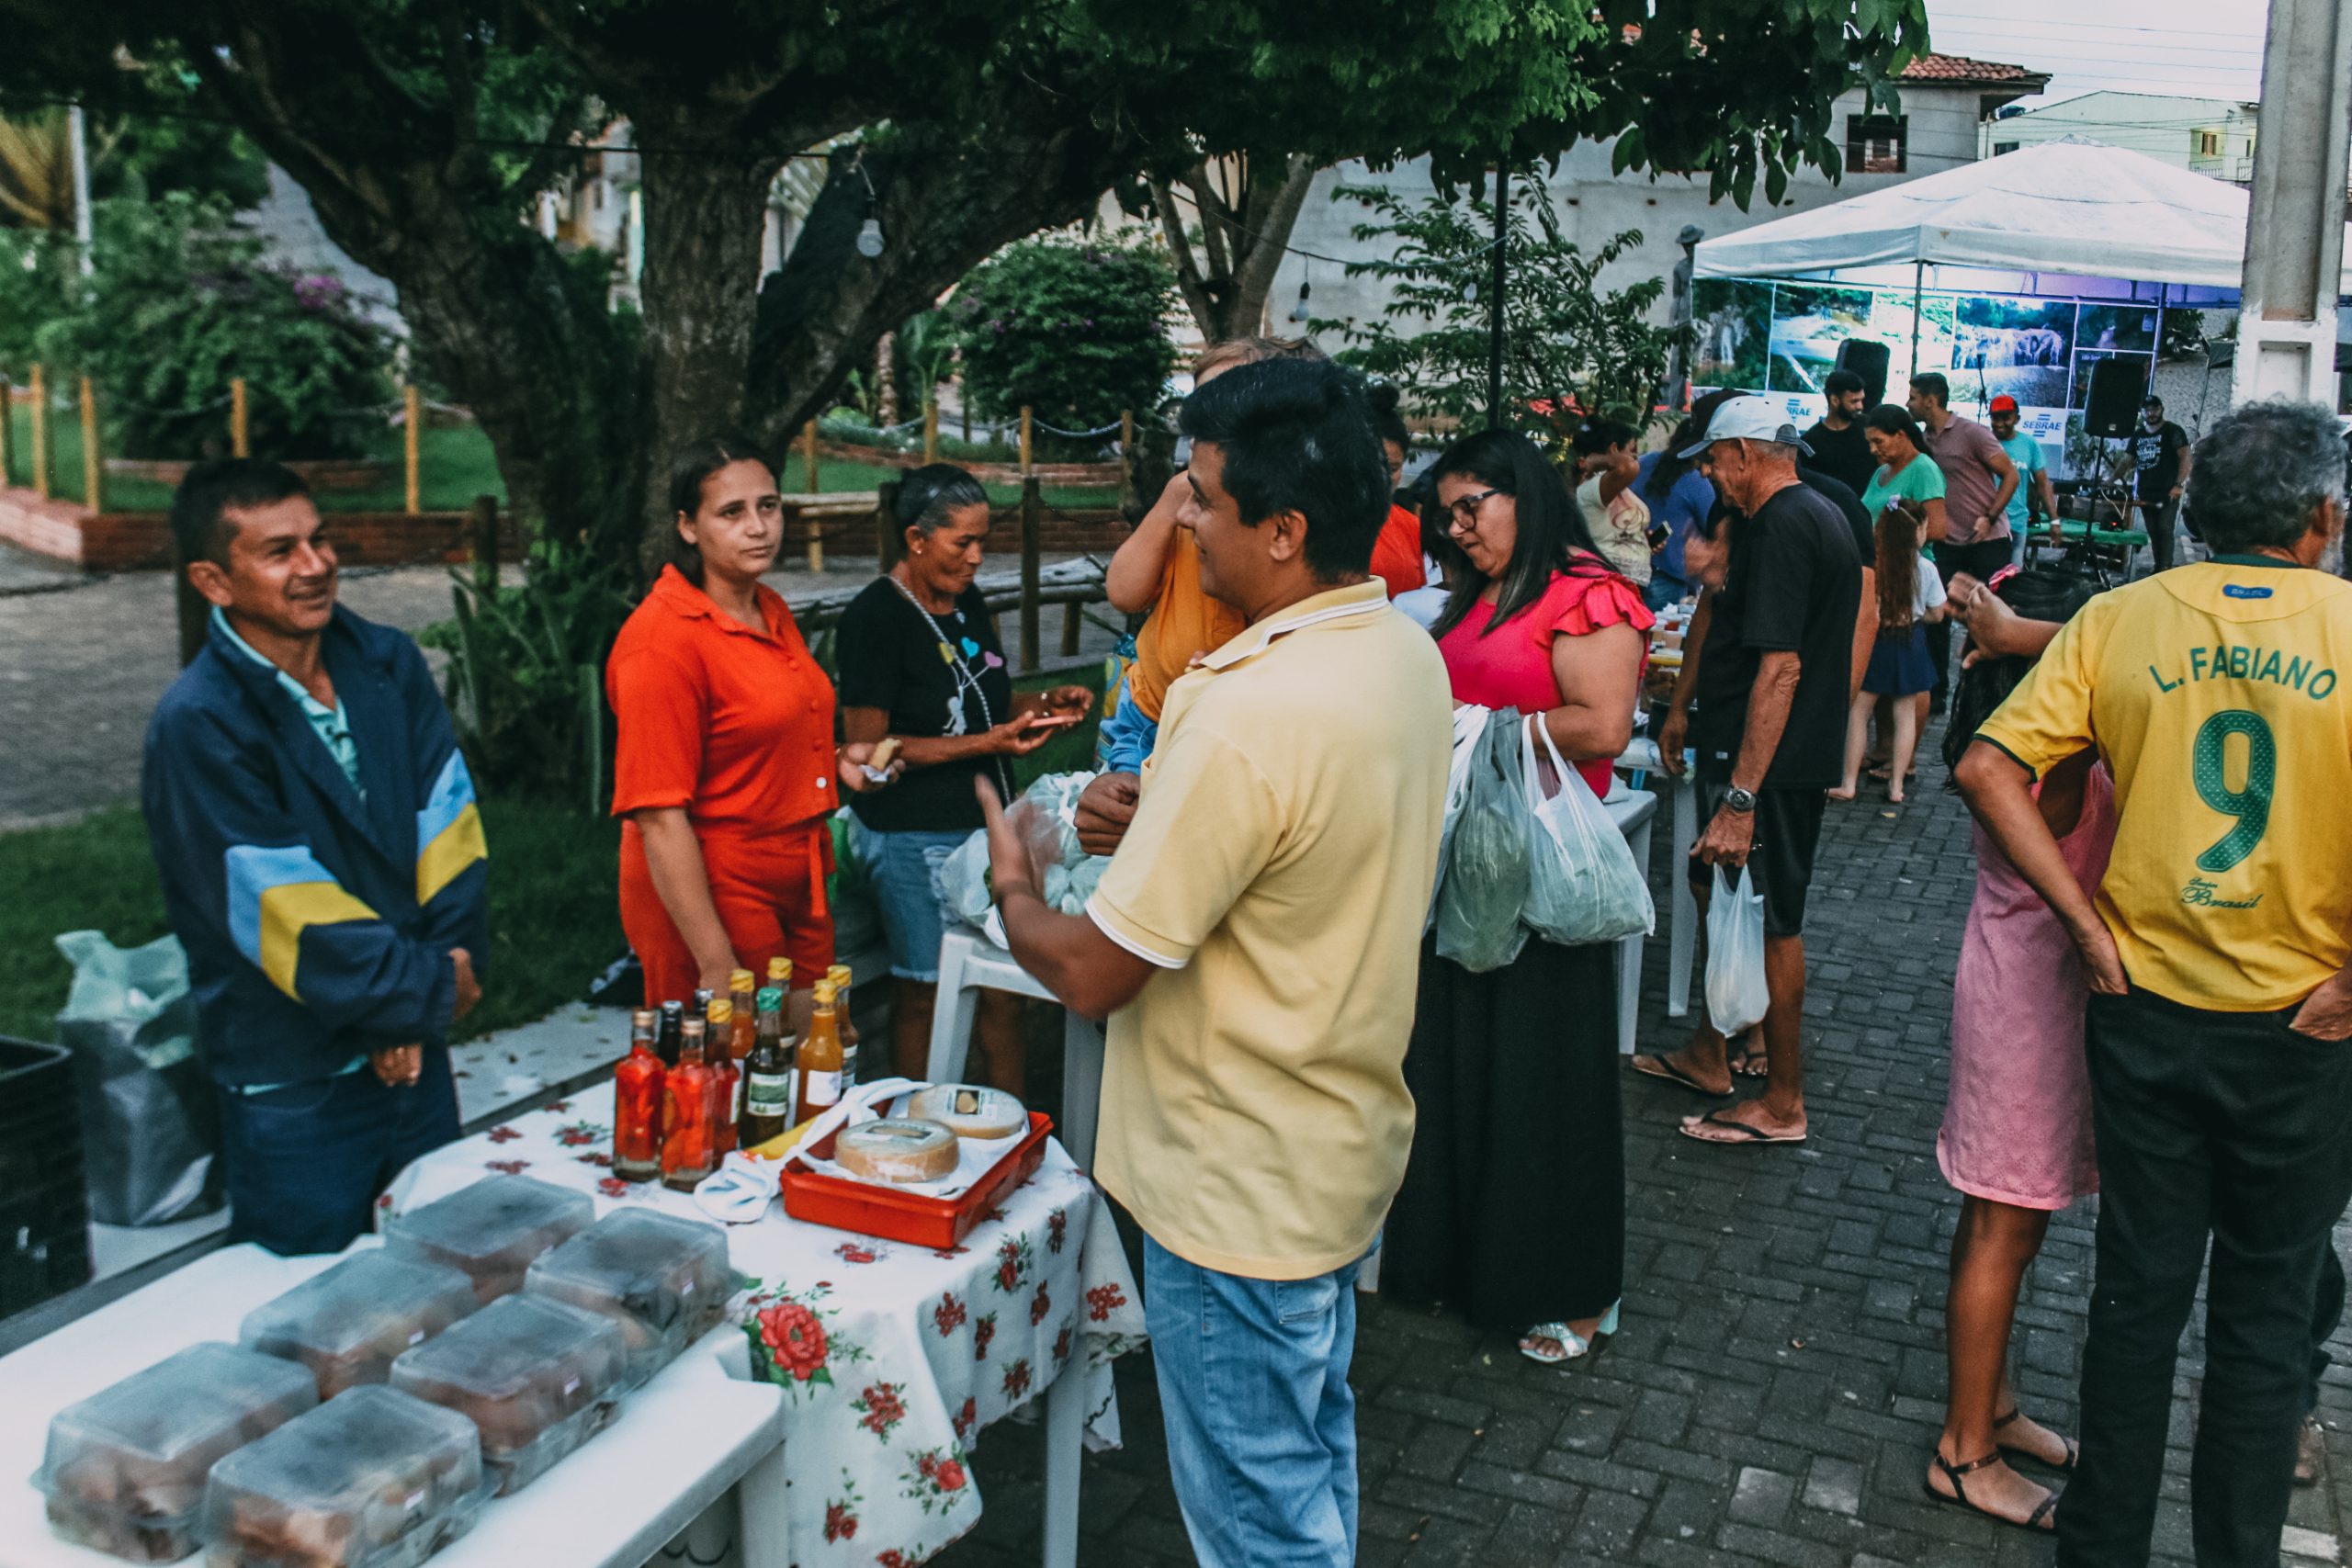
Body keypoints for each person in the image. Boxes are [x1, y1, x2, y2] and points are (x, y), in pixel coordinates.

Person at [974, 357, 1449, 1567]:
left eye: (1201, 495)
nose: (1182, 518)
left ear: (1282, 529)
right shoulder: (1398, 652)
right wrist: (1177, 821)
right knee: (1306, 1455)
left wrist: (1013, 882)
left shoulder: (1246, 707)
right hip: (1330, 1145)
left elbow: (1092, 974)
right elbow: (1302, 848)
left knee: (1258, 1522)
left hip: (1236, 1181)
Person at [1956, 400, 2352, 1567]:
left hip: (2143, 1011)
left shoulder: (2118, 617)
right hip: (2304, 1028)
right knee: (2266, 1320)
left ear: (2198, 508)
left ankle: (2103, 1548)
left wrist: (2083, 927)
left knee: (2135, 1301)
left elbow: (1985, 768)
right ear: (2323, 518)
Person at [141, 458, 486, 1256]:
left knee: (448, 1278)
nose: (316, 564)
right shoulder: (199, 724)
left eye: (319, 539)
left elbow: (451, 831)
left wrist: (429, 987)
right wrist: (421, 993)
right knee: (312, 1309)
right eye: (280, 551)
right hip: (297, 1083)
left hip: (416, 1059)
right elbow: (278, 903)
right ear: (213, 581)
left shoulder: (388, 664)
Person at [1382, 428, 1651, 1367]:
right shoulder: (1474, 595)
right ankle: (1466, 1264)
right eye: (1445, 515)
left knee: (1545, 1083)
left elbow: (1602, 724)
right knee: (1457, 1066)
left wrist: (1477, 724)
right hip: (1464, 863)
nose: (1456, 529)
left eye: (1472, 507)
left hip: (1543, 878)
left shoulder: (1586, 592)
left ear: (1525, 496)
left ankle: (1575, 1290)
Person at [1629, 396, 1860, 1142]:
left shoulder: (1791, 521)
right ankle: (1711, 1048)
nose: (1707, 474)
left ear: (1745, 454)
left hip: (1775, 765)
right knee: (1716, 885)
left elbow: (1781, 669)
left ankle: (1784, 1102)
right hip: (1761, 754)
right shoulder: (1786, 517)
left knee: (1771, 921)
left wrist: (1741, 796)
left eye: (1712, 460)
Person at [1927, 566, 2105, 1533]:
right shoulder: (2055, 764)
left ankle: (1988, 1403)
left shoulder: (2012, 734)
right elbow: (2119, 659)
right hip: (2026, 1013)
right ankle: (1964, 1454)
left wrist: (2009, 634)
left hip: (2011, 995)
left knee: (2000, 1220)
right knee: (2004, 1226)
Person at [607, 436, 892, 1033]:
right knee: (741, 1066)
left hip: (800, 872)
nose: (758, 527)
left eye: (769, 506)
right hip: (716, 882)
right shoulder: (660, 641)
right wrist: (715, 962)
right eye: (731, 512)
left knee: (818, 1052)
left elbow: (757, 734)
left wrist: (836, 761)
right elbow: (658, 816)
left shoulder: (767, 606)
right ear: (688, 527)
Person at [835, 465, 1091, 1085]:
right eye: (963, 542)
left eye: (983, 541)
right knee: (925, 991)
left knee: (1004, 992)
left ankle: (1017, 1128)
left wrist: (1042, 705)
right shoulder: (875, 618)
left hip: (982, 826)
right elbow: (868, 751)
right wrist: (987, 743)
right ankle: (909, 1121)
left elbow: (982, 697)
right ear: (917, 539)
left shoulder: (965, 602)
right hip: (912, 835)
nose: (977, 557)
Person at [1910, 373, 2020, 708]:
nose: (1909, 403)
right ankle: (1936, 692)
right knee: (1937, 614)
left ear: (1931, 400)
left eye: (1913, 397)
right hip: (1947, 542)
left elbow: (2011, 475)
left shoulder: (1971, 432)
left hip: (1988, 541)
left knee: (1988, 615)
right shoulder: (1923, 439)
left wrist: (1989, 517)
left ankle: (1988, 692)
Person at [1831, 499, 1945, 804]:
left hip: (1877, 642)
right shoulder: (1926, 569)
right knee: (1905, 715)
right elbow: (1938, 614)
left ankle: (1848, 783)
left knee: (1859, 712)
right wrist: (1916, 615)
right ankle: (1896, 786)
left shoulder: (1874, 567)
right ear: (1916, 532)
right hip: (1910, 641)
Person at [1634, 415, 1718, 611]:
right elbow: (1713, 525)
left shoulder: (1643, 463)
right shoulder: (1695, 479)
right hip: (1671, 575)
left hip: (1632, 570)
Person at [1366, 381, 1436, 601]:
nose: (1383, 478)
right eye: (1372, 466)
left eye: (1393, 468)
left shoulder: (1412, 527)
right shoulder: (1318, 523)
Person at [1570, 414, 1653, 586]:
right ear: (1614, 449)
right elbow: (1629, 466)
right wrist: (1595, 459)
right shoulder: (1594, 487)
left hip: (1631, 582)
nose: (1635, 456)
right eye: (1631, 450)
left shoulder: (1616, 488)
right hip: (1608, 581)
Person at [1860, 403, 1951, 541]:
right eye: (1870, 443)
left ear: (1900, 435)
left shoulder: (1924, 470)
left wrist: (1887, 543)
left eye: (1878, 442)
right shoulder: (1881, 472)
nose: (1873, 449)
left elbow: (1937, 529)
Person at [1988, 395, 2057, 568]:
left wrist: (2054, 521)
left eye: (2005, 418)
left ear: (2016, 419)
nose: (1999, 423)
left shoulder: (2029, 444)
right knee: (1988, 576)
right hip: (1988, 523)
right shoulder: (1984, 441)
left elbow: (2043, 483)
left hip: (2017, 523)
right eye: (1995, 418)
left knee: (2014, 576)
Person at [2130, 395, 2193, 573]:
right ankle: (2158, 567)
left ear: (2162, 409)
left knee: (2165, 528)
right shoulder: (2138, 435)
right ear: (2142, 412)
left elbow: (2185, 457)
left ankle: (2165, 567)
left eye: (2155, 409)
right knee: (2153, 530)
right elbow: (2127, 459)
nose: (2151, 413)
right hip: (2146, 492)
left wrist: (2179, 484)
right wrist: (2111, 479)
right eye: (2147, 410)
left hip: (2168, 491)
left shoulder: (2173, 431)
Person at [1803, 367, 1875, 497]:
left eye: (1861, 400)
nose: (1860, 406)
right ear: (1835, 401)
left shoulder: (1870, 428)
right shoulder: (1810, 442)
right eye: (1854, 401)